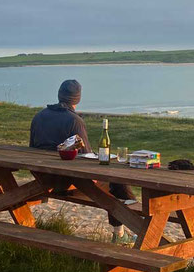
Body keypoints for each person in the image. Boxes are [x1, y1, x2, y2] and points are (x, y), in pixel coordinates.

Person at [30, 79, 136, 243]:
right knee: (118, 182)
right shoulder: (74, 121)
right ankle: (121, 235)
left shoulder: (39, 116)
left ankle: (123, 233)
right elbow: (86, 156)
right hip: (65, 180)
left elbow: (32, 147)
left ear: (59, 94)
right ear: (77, 99)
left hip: (42, 176)